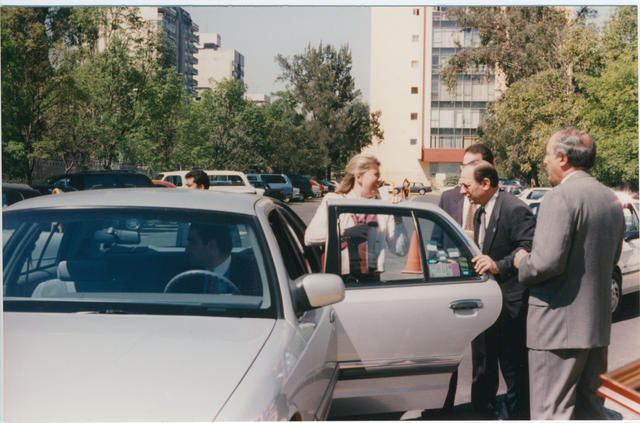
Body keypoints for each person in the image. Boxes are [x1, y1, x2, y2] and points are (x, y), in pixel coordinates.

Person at [514, 128, 624, 419]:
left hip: (556, 329)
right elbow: (612, 259)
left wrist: (522, 261)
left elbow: (545, 263)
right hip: (595, 326)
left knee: (551, 412)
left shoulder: (559, 197)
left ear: (563, 158)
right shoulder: (611, 199)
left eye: (548, 155)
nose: (544, 161)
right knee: (591, 411)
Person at [459, 160, 535, 419]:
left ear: (486, 183)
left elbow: (527, 248)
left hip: (512, 303)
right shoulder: (479, 212)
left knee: (514, 368)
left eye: (466, 185)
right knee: (488, 362)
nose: (462, 191)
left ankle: (519, 415)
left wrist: (497, 265)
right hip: (490, 302)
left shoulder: (515, 209)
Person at [436, 143, 494, 412]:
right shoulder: (449, 197)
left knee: (484, 350)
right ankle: (441, 405)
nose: (465, 170)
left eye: (472, 165)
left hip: (483, 284)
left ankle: (483, 404)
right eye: (463, 165)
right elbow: (436, 242)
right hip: (453, 283)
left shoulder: (494, 199)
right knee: (448, 348)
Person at [304, 154, 407, 276]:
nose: (380, 179)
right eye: (376, 175)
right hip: (338, 281)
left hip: (371, 281)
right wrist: (345, 232)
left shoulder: (382, 207)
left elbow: (401, 250)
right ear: (359, 177)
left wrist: (397, 216)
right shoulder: (335, 201)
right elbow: (310, 238)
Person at [181, 222, 261, 295]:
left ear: (212, 246)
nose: (187, 249)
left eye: (193, 243)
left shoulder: (250, 272)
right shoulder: (186, 274)